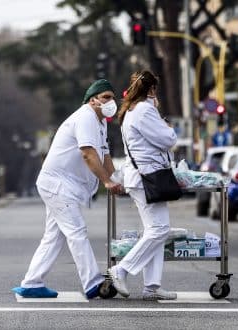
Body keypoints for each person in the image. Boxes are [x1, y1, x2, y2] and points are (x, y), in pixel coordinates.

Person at [12, 79, 122, 299]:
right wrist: (106, 182)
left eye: (113, 97)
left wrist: (117, 179)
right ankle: (93, 283)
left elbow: (105, 155)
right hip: (57, 184)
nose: (111, 102)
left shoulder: (100, 122)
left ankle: (32, 283)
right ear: (93, 100)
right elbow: (88, 154)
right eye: (106, 97)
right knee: (77, 231)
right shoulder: (85, 117)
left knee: (54, 237)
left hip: (62, 186)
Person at [108, 70, 177, 301]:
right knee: (159, 230)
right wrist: (166, 124)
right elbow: (168, 140)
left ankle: (152, 285)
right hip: (147, 177)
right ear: (152, 90)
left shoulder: (131, 110)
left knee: (154, 231)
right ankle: (122, 270)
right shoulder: (145, 110)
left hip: (141, 176)